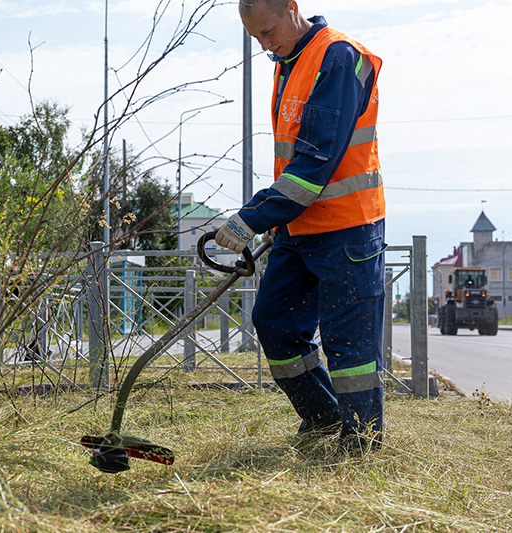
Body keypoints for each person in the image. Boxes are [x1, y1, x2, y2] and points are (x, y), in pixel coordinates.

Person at [216, 0, 386, 451]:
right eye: (256, 38)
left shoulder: (340, 57)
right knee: (274, 322)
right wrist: (274, 221)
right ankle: (324, 418)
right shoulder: (287, 60)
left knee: (348, 346)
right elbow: (293, 160)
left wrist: (253, 218)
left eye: (269, 32)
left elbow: (316, 160)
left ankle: (361, 444)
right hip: (298, 226)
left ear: (292, 8)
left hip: (348, 229)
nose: (264, 45)